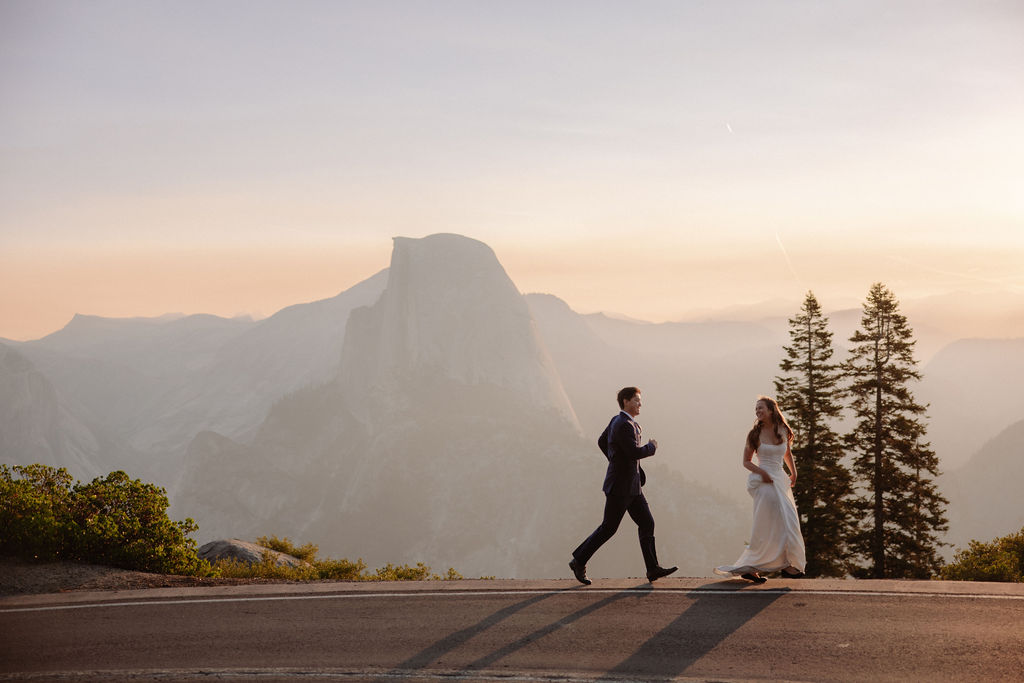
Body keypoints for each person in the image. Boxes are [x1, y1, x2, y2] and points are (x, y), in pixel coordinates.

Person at [569, 387, 677, 585]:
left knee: (647, 523)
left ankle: (652, 569)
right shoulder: (624, 424)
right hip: (620, 488)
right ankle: (579, 560)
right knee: (609, 528)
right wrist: (651, 447)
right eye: (636, 400)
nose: (640, 404)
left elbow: (603, 442)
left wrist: (616, 460)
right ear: (626, 401)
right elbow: (634, 452)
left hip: (633, 487)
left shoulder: (618, 421)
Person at [715, 396, 806, 582]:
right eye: (756, 409)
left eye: (761, 408)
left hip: (780, 480)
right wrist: (762, 473)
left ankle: (786, 564)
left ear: (772, 410)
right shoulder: (754, 434)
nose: (758, 411)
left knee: (789, 520)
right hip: (763, 483)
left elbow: (787, 453)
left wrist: (794, 473)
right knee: (767, 525)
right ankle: (761, 567)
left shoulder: (782, 430)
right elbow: (746, 462)